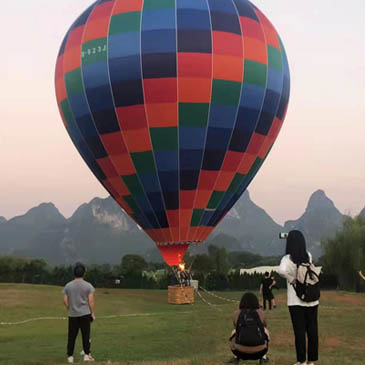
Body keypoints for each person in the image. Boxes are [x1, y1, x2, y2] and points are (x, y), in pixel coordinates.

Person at [278, 230, 319, 365]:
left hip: (295, 301)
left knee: (299, 332)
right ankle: (311, 361)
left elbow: (281, 271)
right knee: (312, 330)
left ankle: (301, 361)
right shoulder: (308, 255)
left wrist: (292, 279)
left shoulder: (287, 259)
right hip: (312, 300)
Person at [63, 262, 96, 363]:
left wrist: (70, 309)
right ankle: (86, 355)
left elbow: (65, 300)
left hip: (73, 315)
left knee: (72, 336)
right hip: (85, 314)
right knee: (86, 335)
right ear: (84, 273)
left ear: (74, 273)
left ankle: (70, 356)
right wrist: (92, 313)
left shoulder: (68, 286)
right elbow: (91, 301)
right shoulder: (88, 286)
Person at [228, 292, 270, 364]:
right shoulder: (261, 313)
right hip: (260, 351)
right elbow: (264, 326)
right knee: (265, 331)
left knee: (234, 332)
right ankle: (263, 357)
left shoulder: (236, 313)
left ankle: (236, 357)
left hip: (239, 351)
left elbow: (236, 327)